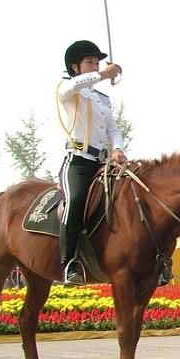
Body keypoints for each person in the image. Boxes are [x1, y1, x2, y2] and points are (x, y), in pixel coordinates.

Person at [57, 40, 125, 285]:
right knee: (75, 201)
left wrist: (117, 148)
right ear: (75, 66)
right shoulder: (67, 89)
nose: (96, 65)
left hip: (102, 162)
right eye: (90, 62)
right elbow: (75, 85)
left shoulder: (102, 99)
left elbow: (113, 129)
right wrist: (102, 74)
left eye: (97, 62)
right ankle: (69, 263)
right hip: (77, 162)